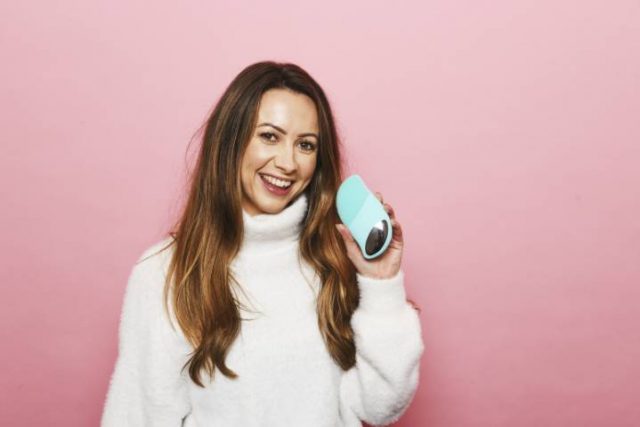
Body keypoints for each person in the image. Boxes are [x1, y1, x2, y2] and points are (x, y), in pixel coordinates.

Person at [100, 61, 425, 427]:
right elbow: (139, 416)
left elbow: (382, 407)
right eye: (269, 136)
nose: (287, 163)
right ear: (231, 140)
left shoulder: (335, 262)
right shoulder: (166, 272)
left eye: (305, 145)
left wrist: (381, 283)